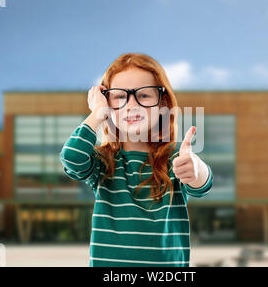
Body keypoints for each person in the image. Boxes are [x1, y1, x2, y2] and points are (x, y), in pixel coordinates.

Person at [60, 52, 213, 266]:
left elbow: (202, 185)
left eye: (144, 95)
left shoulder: (174, 162)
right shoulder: (103, 162)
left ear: (163, 104)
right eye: (120, 96)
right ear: (107, 104)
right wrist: (97, 113)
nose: (131, 104)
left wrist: (196, 169)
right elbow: (71, 157)